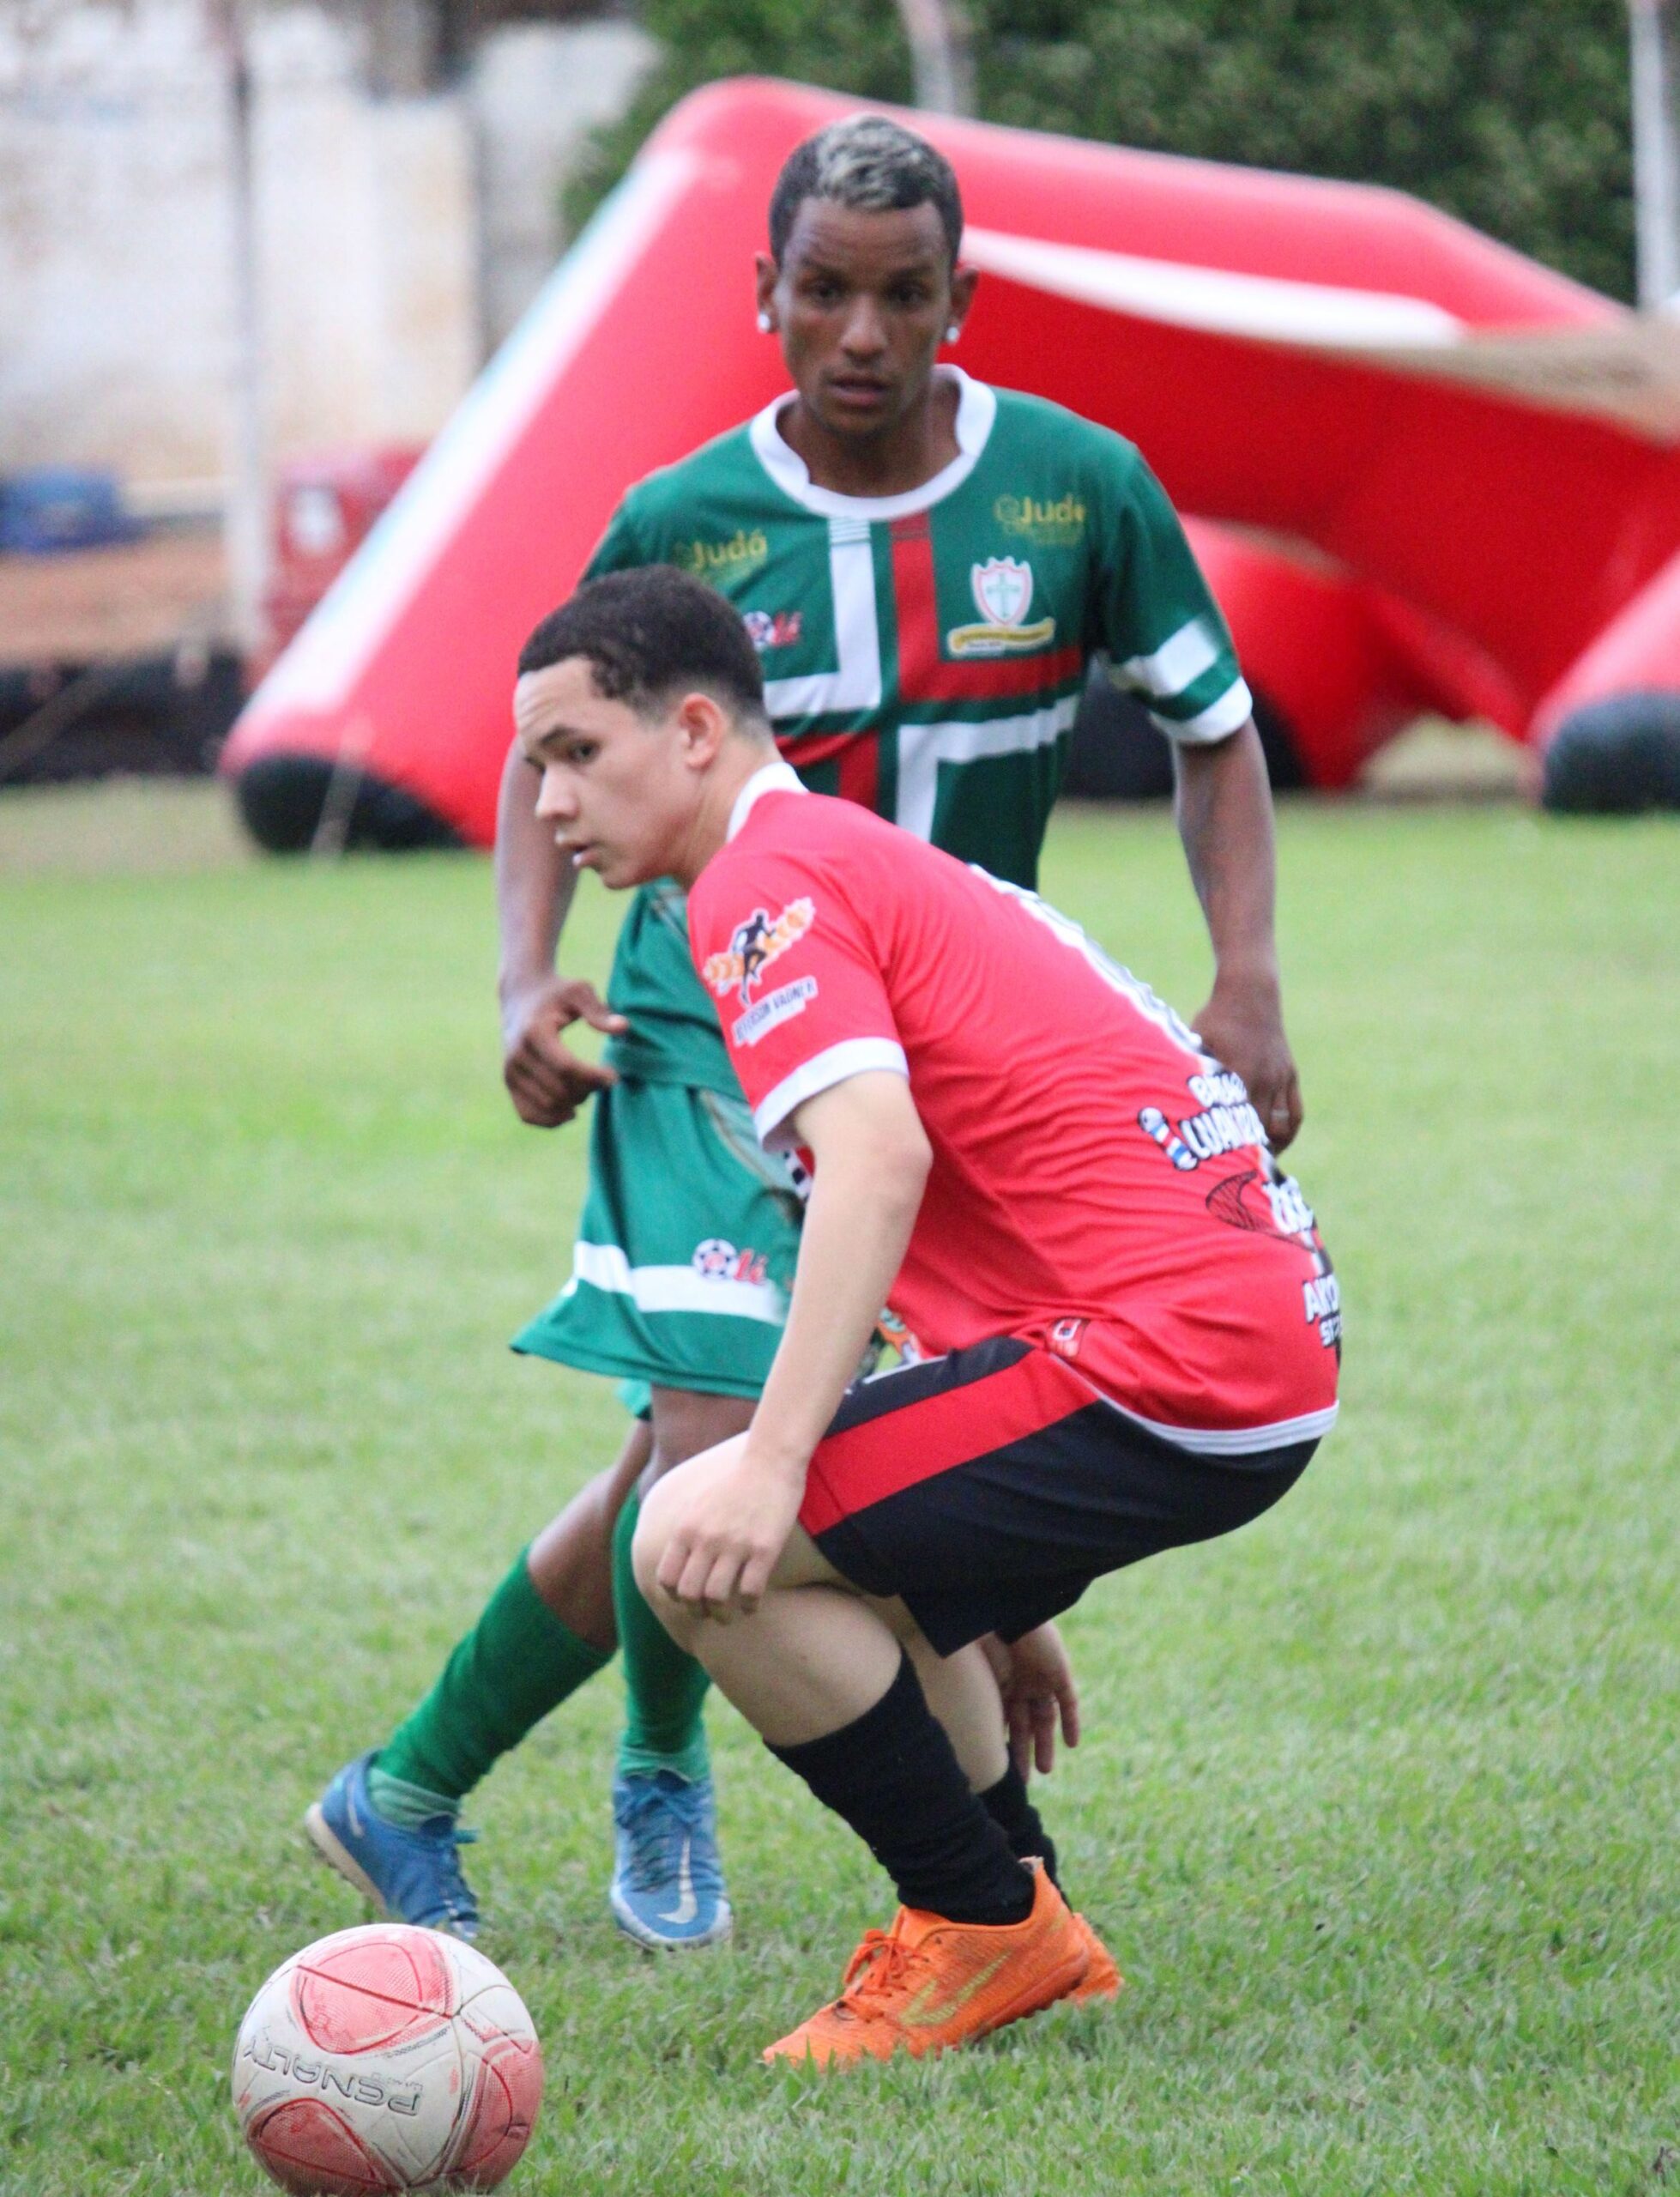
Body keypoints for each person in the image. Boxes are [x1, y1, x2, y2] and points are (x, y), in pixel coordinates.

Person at [306, 113, 1306, 1952]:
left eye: (901, 292)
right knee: (719, 1429)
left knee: (759, 1452)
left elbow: (1213, 723)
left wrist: (1243, 973)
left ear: (959, 302)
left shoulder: (1078, 488)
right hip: (721, 1029)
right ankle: (637, 1778)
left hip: (940, 1052)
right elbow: (560, 731)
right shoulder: (685, 518)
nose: (860, 330)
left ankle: (458, 1780)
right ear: (761, 293)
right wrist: (528, 984)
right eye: (823, 290)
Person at [517, 563, 1339, 2064]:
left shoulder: (764, 884)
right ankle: (1029, 1911)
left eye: (576, 752)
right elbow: (971, 1236)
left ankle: (972, 1925)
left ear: (694, 729)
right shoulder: (849, 856)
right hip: (1246, 1343)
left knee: (691, 1540)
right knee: (831, 1551)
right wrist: (999, 1596)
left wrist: (768, 1461)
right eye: (537, 767)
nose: (552, 804)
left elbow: (877, 1161)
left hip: (1167, 1357)